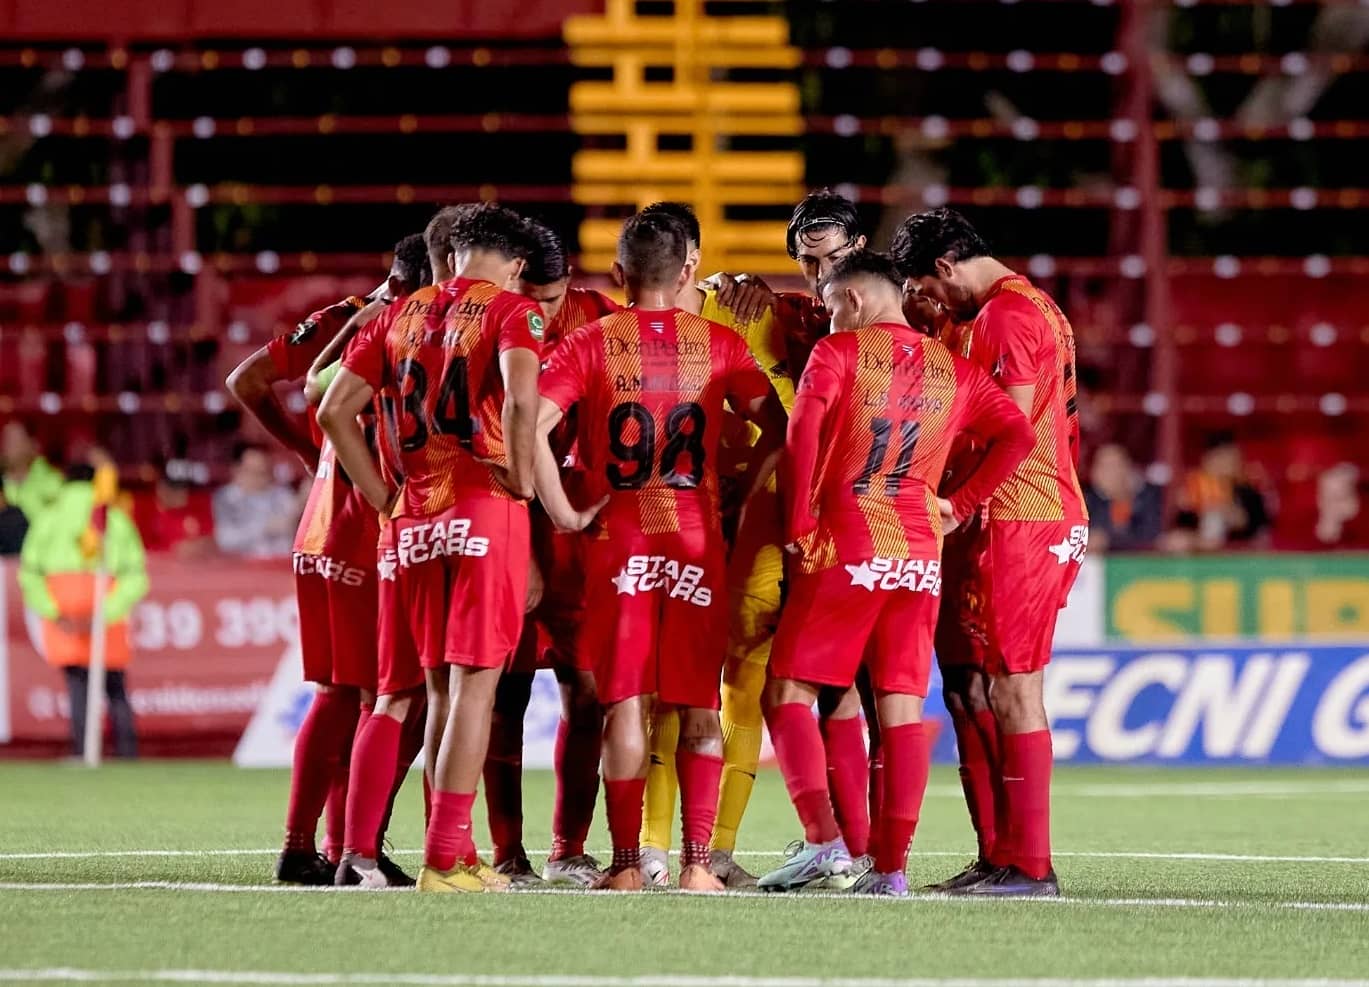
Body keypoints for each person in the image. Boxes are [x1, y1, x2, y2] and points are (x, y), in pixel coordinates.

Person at [755, 251, 1032, 896]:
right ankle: (892, 871)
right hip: (918, 550)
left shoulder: (838, 355)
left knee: (787, 693)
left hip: (848, 539)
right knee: (901, 707)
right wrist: (960, 505)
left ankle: (825, 845)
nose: (826, 319)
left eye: (829, 307)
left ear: (851, 301)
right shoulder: (953, 369)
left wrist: (798, 529)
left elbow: (802, 437)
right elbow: (1017, 433)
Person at [534, 209, 787, 892]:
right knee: (699, 705)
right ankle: (698, 865)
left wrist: (561, 509)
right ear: (687, 272)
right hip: (694, 536)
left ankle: (622, 865)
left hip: (618, 539)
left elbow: (531, 420)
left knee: (624, 703)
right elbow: (779, 425)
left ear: (617, 275)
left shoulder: (589, 342)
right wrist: (739, 494)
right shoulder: (719, 344)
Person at [321, 203, 543, 894]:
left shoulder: (396, 313)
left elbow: (331, 408)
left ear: (453, 255)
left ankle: (455, 852)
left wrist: (384, 496)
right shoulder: (513, 311)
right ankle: (445, 857)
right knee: (475, 688)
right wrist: (525, 483)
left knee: (437, 691)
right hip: (481, 505)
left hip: (413, 517)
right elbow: (518, 398)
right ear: (513, 264)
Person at [634, 198, 842, 888]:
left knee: (750, 681)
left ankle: (723, 847)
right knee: (685, 681)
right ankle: (655, 845)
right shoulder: (732, 306)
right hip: (697, 514)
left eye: (829, 258)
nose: (817, 272)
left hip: (785, 518)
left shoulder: (790, 315)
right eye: (806, 260)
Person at [892, 207, 1088, 896]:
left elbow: (1008, 425)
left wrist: (958, 503)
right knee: (988, 682)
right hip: (1017, 514)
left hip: (1025, 516)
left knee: (1015, 686)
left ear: (945, 266)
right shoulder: (1023, 308)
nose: (932, 304)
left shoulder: (1008, 316)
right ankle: (1004, 856)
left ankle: (1031, 866)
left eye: (927, 287)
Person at [227, 234, 429, 887]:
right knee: (379, 693)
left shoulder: (341, 316)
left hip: (315, 528)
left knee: (340, 692)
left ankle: (309, 845)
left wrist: (301, 451)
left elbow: (248, 379)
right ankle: (350, 850)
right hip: (360, 530)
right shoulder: (401, 329)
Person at [483, 218, 619, 887]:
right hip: (513, 531)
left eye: (553, 297)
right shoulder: (496, 325)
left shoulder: (600, 317)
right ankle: (507, 853)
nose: (543, 312)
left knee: (587, 692)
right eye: (533, 298)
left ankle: (569, 847)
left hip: (582, 541)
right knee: (502, 695)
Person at [17, 459, 149, 759]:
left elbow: (29, 573)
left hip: (64, 609)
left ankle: (83, 751)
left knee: (78, 683)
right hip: (105, 610)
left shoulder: (48, 519)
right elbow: (136, 574)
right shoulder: (114, 518)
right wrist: (107, 611)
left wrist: (53, 610)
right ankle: (127, 754)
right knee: (114, 685)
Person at [1171, 431, 1270, 550]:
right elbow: (1180, 531)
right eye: (1221, 457)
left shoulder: (1248, 491)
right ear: (1207, 459)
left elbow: (1259, 530)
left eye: (1233, 458)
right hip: (1199, 556)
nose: (1228, 464)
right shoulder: (1193, 489)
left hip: (1238, 555)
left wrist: (1233, 515)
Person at [211, 443, 298, 559]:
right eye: (254, 472)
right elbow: (225, 540)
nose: (261, 478)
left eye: (264, 472)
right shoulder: (226, 498)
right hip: (244, 568)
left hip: (281, 564)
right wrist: (264, 527)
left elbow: (291, 529)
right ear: (237, 470)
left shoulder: (282, 495)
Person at [1084, 443, 1164, 552]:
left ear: (1128, 468)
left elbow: (1153, 538)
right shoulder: (1088, 501)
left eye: (1114, 466)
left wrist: (1108, 541)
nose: (1109, 473)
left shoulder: (1150, 497)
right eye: (1103, 466)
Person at [2, 421, 63, 523]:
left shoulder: (52, 483)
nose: (7, 447)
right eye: (5, 440)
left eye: (14, 441)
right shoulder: (3, 485)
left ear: (31, 444)